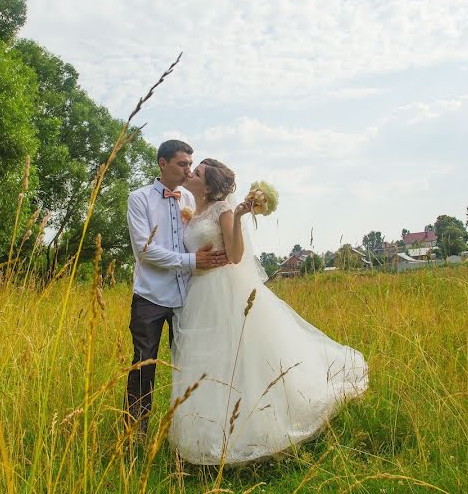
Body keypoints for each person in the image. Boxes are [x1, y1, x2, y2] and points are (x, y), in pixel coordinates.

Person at [169, 159, 369, 465]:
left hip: (225, 289)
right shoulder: (193, 211)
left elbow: (235, 256)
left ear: (208, 186)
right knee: (210, 361)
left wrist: (236, 217)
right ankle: (207, 434)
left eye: (197, 173)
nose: (191, 173)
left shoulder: (223, 210)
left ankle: (255, 429)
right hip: (200, 294)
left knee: (240, 358)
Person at [124, 141, 228, 440]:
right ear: (162, 163)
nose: (188, 169)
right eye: (182, 164)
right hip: (151, 297)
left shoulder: (192, 197)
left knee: (191, 365)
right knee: (143, 366)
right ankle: (135, 434)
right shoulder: (139, 199)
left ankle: (192, 432)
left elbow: (214, 226)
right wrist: (192, 261)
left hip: (190, 297)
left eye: (190, 164)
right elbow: (145, 250)